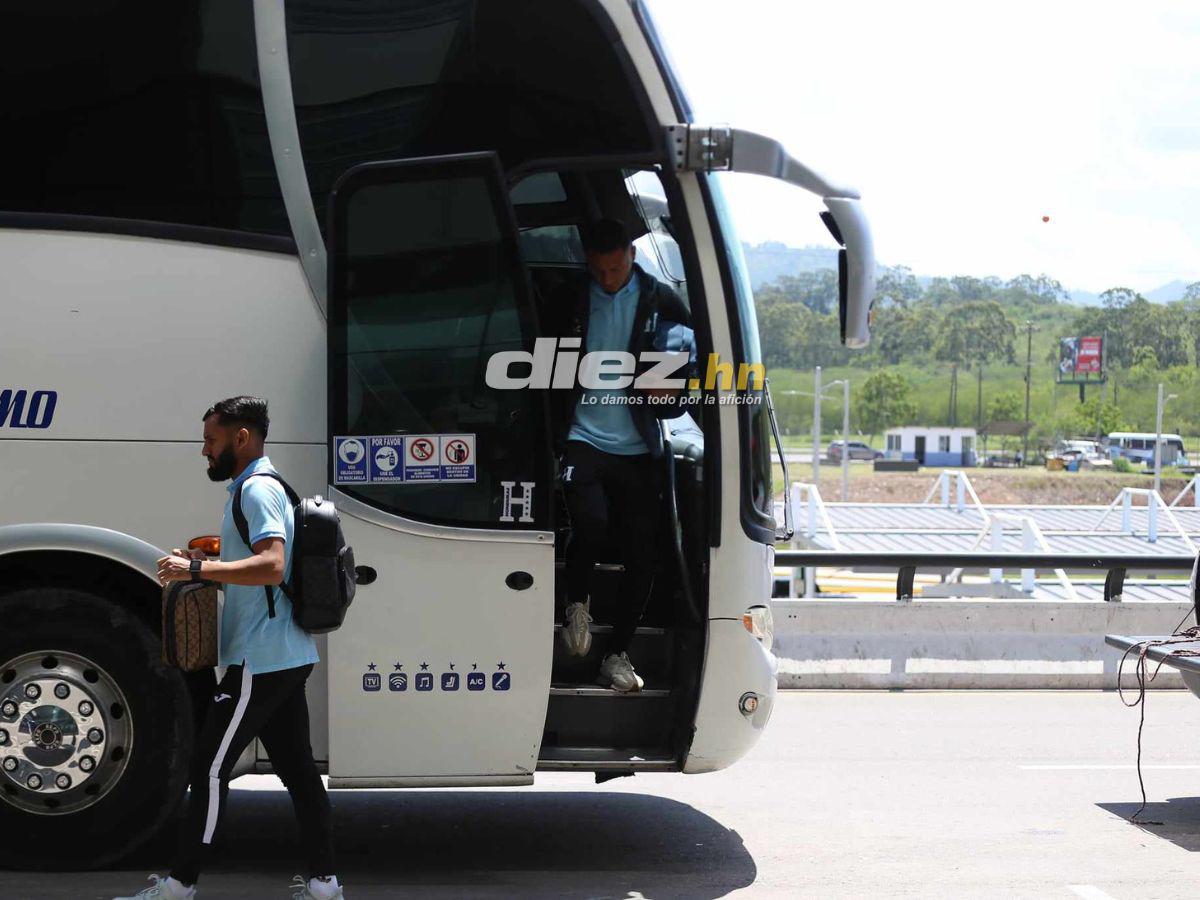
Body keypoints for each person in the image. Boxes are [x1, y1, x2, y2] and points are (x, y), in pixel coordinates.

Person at [115, 397, 343, 900]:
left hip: (259, 660)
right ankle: (326, 885)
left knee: (209, 768)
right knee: (300, 773)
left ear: (241, 439)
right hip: (286, 654)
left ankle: (180, 884)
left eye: (210, 441)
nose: (204, 451)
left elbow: (273, 566)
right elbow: (254, 567)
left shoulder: (257, 490)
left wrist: (196, 571)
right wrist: (209, 560)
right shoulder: (259, 485)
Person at [554, 218, 694, 692]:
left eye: (615, 270)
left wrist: (669, 385)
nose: (607, 279)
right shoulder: (571, 295)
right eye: (599, 271)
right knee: (590, 523)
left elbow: (683, 387)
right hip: (582, 435)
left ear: (632, 255)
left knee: (643, 552)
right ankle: (577, 606)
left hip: (638, 447)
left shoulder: (662, 302)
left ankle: (617, 655)